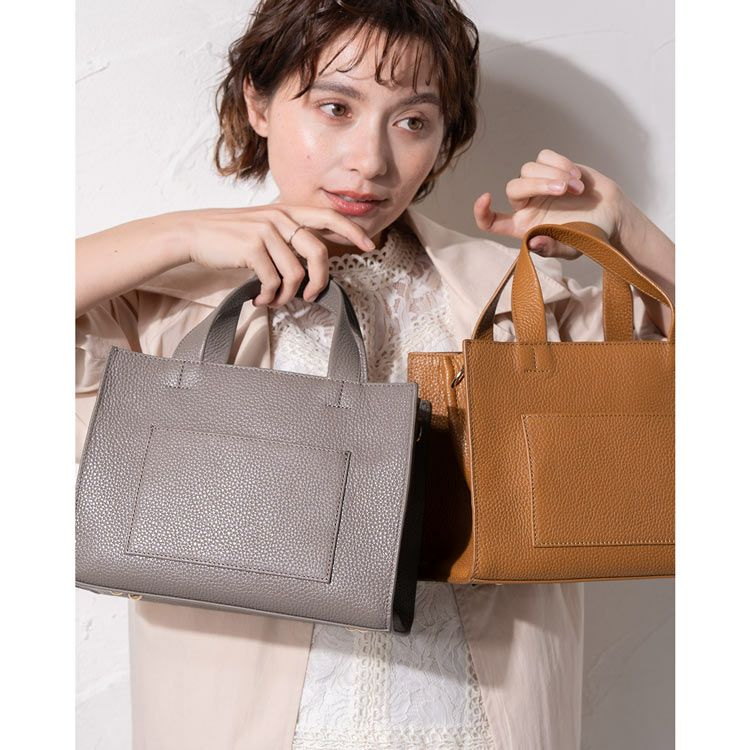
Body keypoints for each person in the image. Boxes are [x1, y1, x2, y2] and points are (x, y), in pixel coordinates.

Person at [75, 1, 675, 747]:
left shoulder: (512, 303)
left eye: (413, 121)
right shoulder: (168, 306)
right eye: (335, 107)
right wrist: (176, 235)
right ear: (258, 103)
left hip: (475, 728)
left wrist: (633, 232)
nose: (371, 160)